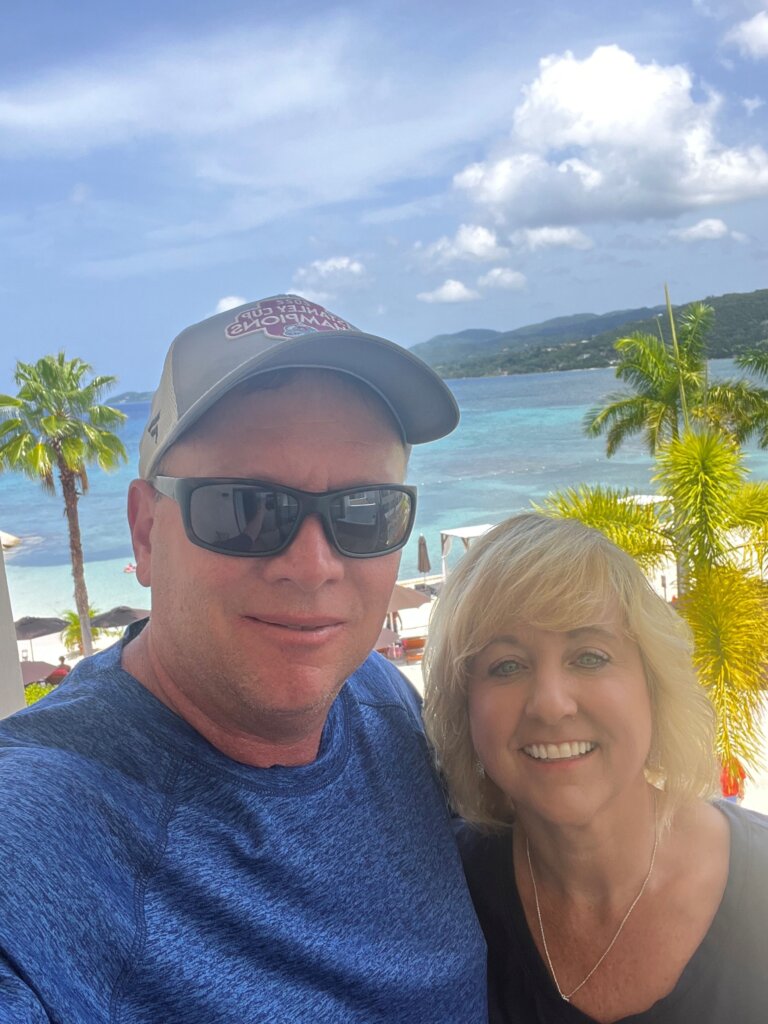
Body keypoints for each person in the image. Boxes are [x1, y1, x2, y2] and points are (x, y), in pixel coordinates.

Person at [0, 294, 486, 1022]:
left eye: (365, 511)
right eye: (245, 508)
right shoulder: (49, 823)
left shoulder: (381, 698)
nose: (315, 565)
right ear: (144, 532)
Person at [423, 512, 768, 1024]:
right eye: (507, 665)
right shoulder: (442, 891)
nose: (551, 704)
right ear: (464, 708)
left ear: (653, 687)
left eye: (589, 656)